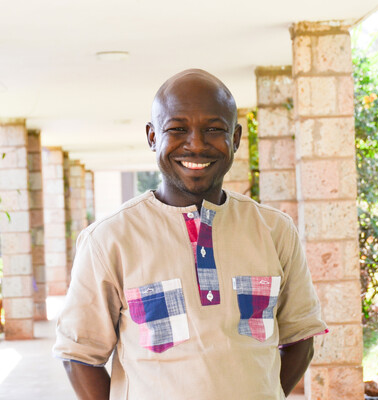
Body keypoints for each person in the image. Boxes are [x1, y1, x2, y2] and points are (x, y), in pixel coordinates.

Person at [53, 69, 328, 400]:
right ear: (152, 137)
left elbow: (300, 338)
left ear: (236, 138)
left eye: (214, 129)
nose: (196, 144)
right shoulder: (109, 239)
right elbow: (79, 355)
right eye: (177, 129)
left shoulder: (275, 230)